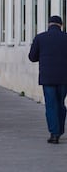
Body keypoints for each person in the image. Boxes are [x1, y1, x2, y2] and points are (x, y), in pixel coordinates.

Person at [28, 15, 67, 144]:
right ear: (61, 25)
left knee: (51, 105)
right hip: (64, 78)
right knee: (60, 103)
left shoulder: (40, 38)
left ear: (49, 24)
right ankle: (60, 130)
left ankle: (54, 133)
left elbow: (32, 57)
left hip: (47, 77)